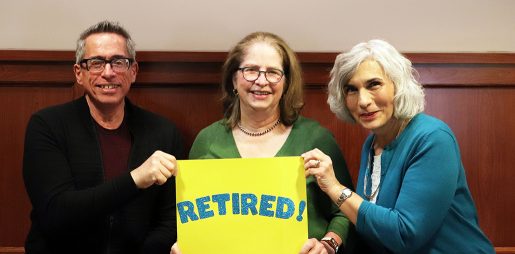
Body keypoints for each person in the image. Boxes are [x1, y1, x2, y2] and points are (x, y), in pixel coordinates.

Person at [302, 39, 495, 253]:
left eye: (373, 84)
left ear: (398, 85)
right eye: (351, 89)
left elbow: (404, 235)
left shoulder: (432, 138)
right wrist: (329, 244)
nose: (363, 101)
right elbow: (370, 225)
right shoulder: (372, 143)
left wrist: (335, 188)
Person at [171, 32, 354, 254]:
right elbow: (191, 215)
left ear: (286, 83)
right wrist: (188, 245)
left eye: (273, 72)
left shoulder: (316, 138)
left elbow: (345, 211)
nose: (261, 80)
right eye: (251, 70)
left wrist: (329, 244)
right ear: (233, 79)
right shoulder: (207, 140)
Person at [22, 20, 184, 254]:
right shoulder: (47, 125)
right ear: (79, 73)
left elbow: (171, 220)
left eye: (119, 62)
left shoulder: (164, 132)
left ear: (133, 71)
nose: (108, 73)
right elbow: (55, 212)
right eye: (96, 63)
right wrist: (135, 179)